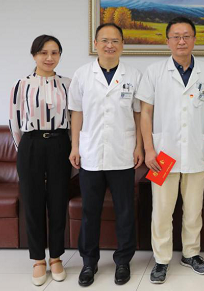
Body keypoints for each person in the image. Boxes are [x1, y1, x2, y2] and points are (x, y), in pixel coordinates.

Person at [139, 17, 204, 284]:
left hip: (197, 150)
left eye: (186, 36)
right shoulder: (154, 71)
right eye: (176, 36)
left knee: (194, 208)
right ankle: (161, 259)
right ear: (167, 41)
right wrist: (148, 149)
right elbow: (146, 112)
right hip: (162, 153)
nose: (181, 41)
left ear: (194, 39)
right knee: (162, 210)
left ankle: (191, 254)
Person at [68, 23, 143, 287]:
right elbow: (77, 113)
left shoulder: (134, 75)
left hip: (123, 152)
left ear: (122, 44)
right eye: (105, 40)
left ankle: (123, 262)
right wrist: (75, 146)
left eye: (115, 41)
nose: (110, 45)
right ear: (96, 44)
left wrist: (140, 146)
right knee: (90, 211)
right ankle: (89, 262)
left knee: (125, 211)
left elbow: (138, 114)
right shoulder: (82, 75)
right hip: (90, 153)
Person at [9, 35, 71, 286]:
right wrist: (23, 151)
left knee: (58, 201)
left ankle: (56, 257)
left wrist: (72, 148)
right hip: (31, 144)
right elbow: (14, 122)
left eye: (54, 53)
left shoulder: (68, 84)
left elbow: (75, 120)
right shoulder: (21, 84)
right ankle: (37, 259)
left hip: (60, 144)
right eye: (44, 53)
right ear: (34, 55)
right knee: (33, 203)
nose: (49, 58)